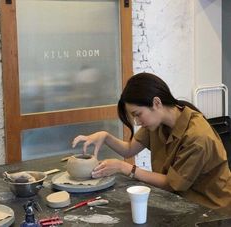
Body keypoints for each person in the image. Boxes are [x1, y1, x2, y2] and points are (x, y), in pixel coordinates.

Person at [72, 72, 231, 209]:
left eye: (137, 114)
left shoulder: (197, 137)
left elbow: (171, 184)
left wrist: (125, 167)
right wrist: (105, 136)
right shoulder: (158, 123)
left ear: (156, 103)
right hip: (180, 199)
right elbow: (129, 149)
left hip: (211, 209)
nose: (137, 121)